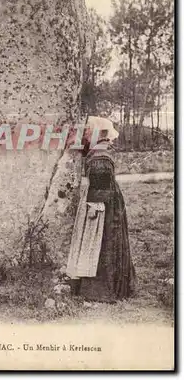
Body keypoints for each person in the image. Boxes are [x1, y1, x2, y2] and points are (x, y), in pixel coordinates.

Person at [66, 117, 136, 303]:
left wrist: (93, 208)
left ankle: (102, 289)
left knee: (100, 242)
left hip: (102, 205)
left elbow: (101, 188)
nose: (86, 134)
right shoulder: (98, 151)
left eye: (89, 131)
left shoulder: (99, 157)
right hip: (106, 202)